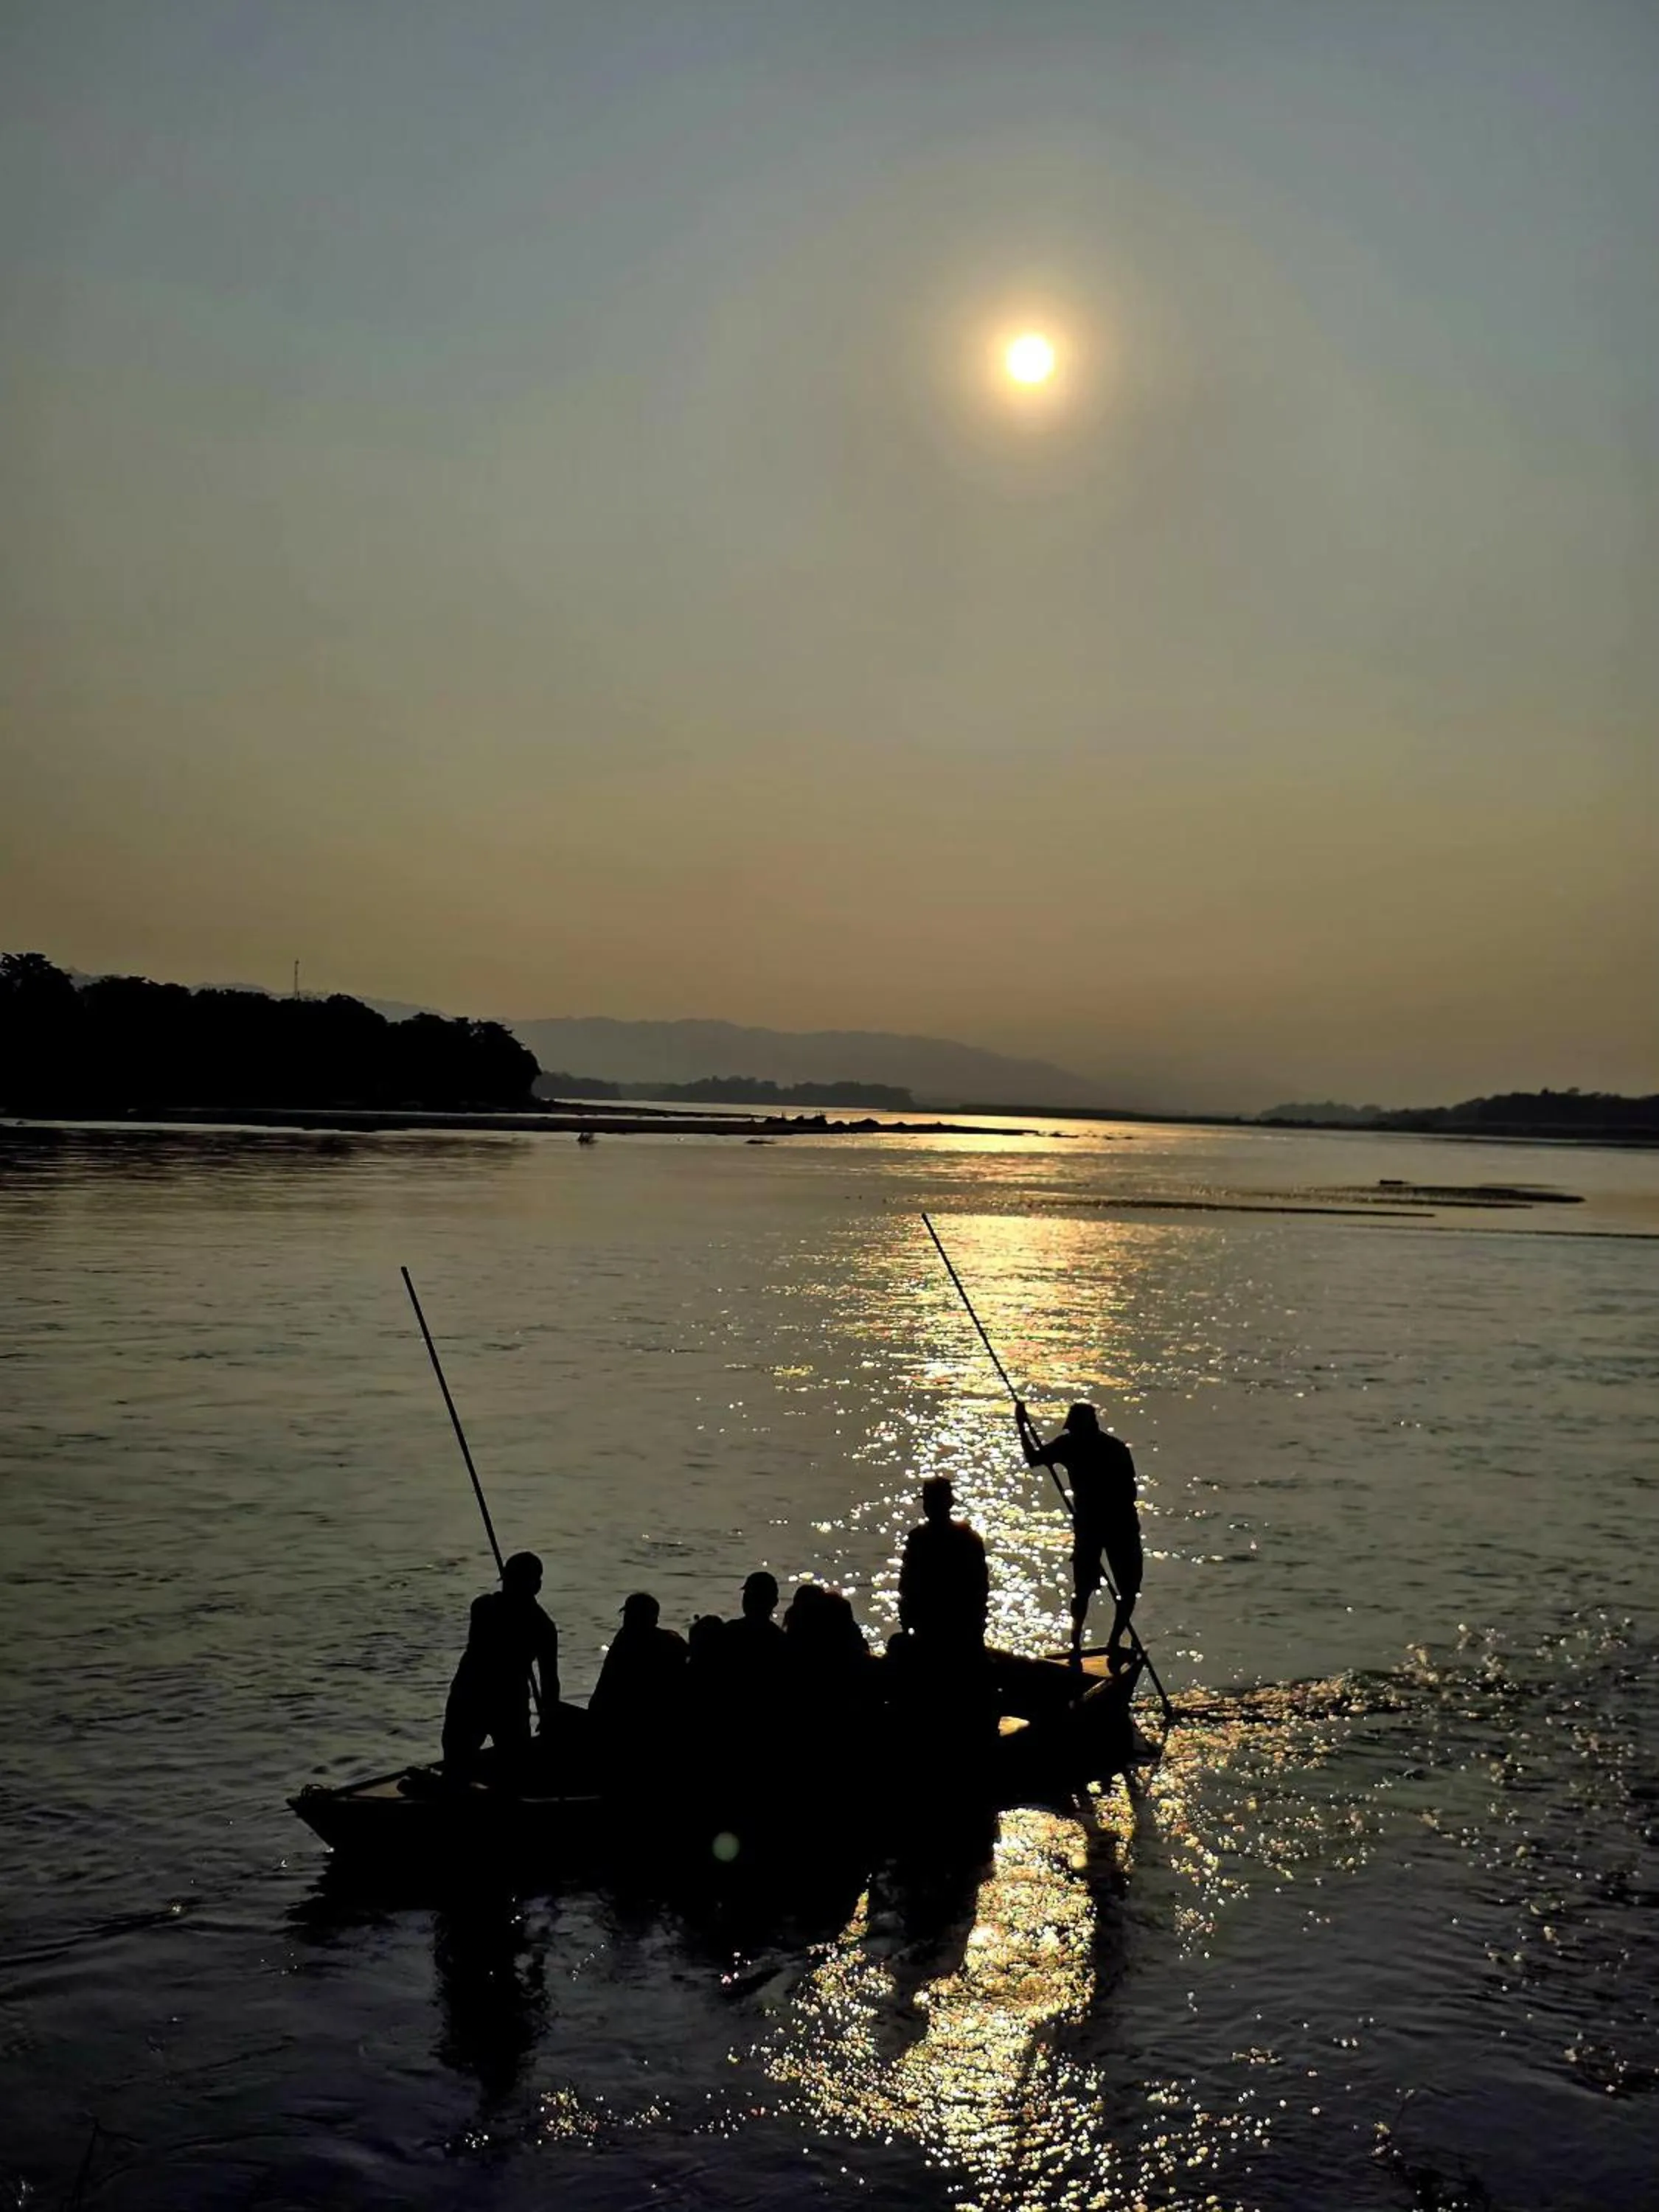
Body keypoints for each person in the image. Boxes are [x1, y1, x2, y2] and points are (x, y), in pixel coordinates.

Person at [1017, 1400, 1142, 1666]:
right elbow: (1033, 1459)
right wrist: (1021, 1425)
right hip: (1091, 1527)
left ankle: (1112, 1642)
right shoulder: (1069, 1444)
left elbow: (1130, 1493)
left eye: (1076, 1428)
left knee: (1128, 1589)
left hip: (1118, 1526)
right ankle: (1076, 1644)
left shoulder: (1114, 1449)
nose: (1073, 1432)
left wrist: (1101, 1506)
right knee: (1084, 1589)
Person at [441, 1551, 561, 1781]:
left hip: (500, 1701)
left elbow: (549, 1679)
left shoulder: (490, 1609)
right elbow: (549, 1679)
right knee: (463, 1763)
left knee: (511, 1769)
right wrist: (549, 1714)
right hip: (476, 1698)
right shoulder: (488, 1609)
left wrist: (549, 1716)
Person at [588, 1592, 689, 1779]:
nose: (627, 1620)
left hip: (643, 1725)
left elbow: (606, 1687)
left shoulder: (657, 1643)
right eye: (628, 1615)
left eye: (632, 1616)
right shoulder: (666, 1641)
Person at [897, 1478, 990, 1654]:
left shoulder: (918, 1539)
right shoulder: (969, 1539)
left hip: (929, 1629)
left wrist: (906, 1624)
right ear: (950, 1503)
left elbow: (907, 1587)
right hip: (963, 1630)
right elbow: (980, 1589)